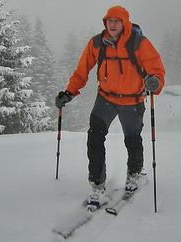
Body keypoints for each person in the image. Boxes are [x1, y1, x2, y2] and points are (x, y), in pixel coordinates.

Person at [54, 5, 165, 208]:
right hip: (105, 99)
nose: (112, 24)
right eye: (109, 21)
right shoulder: (97, 43)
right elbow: (82, 71)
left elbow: (156, 68)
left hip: (132, 100)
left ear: (124, 22)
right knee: (94, 136)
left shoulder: (139, 43)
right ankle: (98, 186)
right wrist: (69, 92)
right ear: (105, 23)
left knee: (132, 139)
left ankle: (134, 174)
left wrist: (155, 82)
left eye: (117, 21)